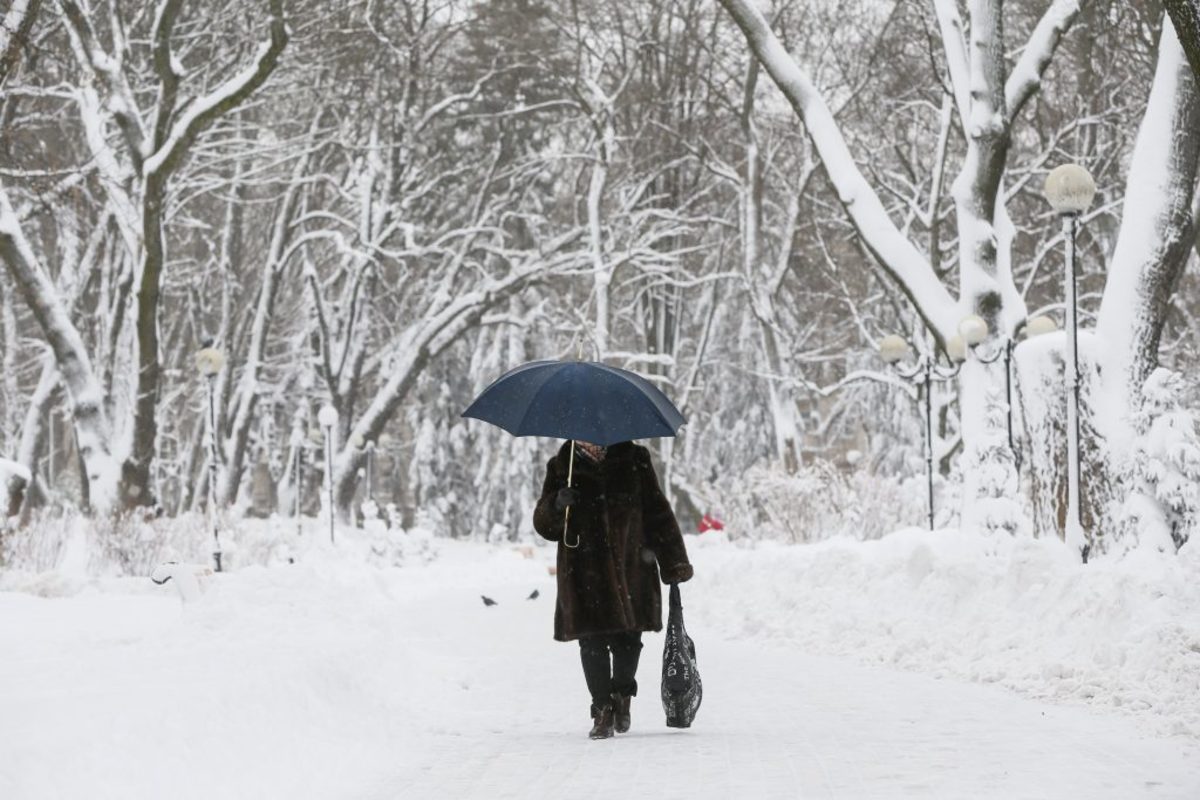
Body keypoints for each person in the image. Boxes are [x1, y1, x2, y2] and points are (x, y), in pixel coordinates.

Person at [533, 439, 693, 740]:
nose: (587, 439)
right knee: (590, 642)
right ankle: (601, 710)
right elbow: (545, 527)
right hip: (582, 570)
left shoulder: (635, 458)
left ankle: (622, 695)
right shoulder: (562, 465)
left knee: (628, 643)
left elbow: (657, 512)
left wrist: (674, 562)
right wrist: (555, 504)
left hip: (632, 568)